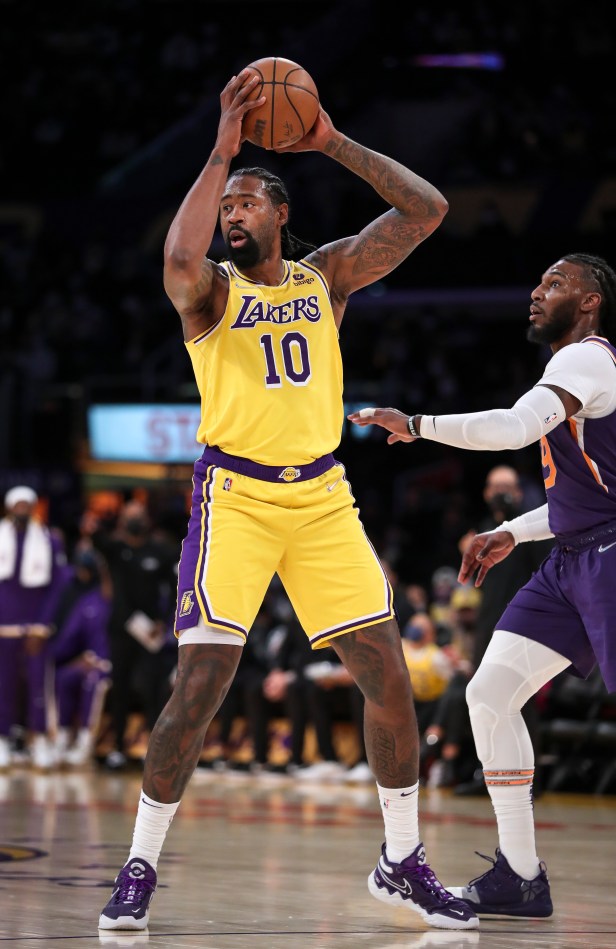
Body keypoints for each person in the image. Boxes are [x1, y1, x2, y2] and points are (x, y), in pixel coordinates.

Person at [98, 68, 479, 933]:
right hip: (234, 494)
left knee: (386, 676)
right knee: (197, 686)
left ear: (278, 213)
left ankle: (401, 860)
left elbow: (427, 213)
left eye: (245, 202)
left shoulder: (326, 278)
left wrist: (332, 141)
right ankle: (139, 863)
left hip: (321, 498)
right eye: (224, 205)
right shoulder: (211, 296)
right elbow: (176, 258)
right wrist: (220, 153)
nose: (231, 213)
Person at [348, 252, 616, 918]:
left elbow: (512, 427)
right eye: (537, 279)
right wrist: (516, 533)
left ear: (590, 303)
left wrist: (416, 425)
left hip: (610, 556)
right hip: (571, 556)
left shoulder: (588, 358)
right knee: (490, 693)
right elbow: (580, 498)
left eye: (555, 283)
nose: (537, 290)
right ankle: (520, 875)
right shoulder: (573, 369)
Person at [82, 498, 180, 770]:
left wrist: (164, 620)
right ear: (122, 521)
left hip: (149, 632)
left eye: (139, 515)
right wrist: (94, 521)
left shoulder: (160, 551)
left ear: (147, 520)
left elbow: (174, 587)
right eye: (129, 516)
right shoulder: (115, 549)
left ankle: (154, 749)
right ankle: (117, 748)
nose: (135, 520)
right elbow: (95, 535)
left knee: (152, 690)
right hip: (121, 630)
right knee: (121, 689)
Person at [0, 485, 67, 770]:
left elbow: (58, 586)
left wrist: (42, 625)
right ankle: (2, 741)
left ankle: (39, 740)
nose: (22, 510)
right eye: (17, 505)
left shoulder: (49, 540)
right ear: (9, 508)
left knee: (40, 686)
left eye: (27, 505)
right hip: (3, 627)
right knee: (3, 686)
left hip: (36, 629)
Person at [49, 547, 112, 767]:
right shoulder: (89, 602)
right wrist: (62, 657)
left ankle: (86, 742)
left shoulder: (126, 602)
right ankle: (62, 737)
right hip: (89, 660)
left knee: (92, 681)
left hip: (115, 666)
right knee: (64, 676)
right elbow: (70, 636)